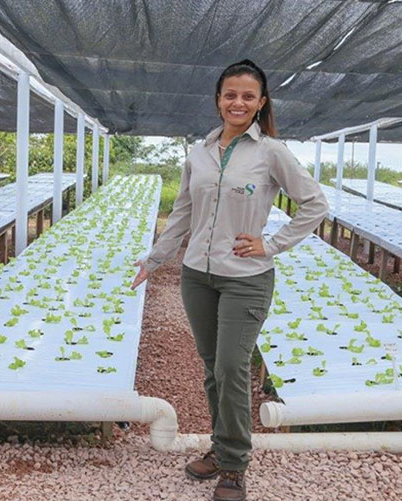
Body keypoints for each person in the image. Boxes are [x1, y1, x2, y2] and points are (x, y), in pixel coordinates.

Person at [132, 60, 328, 501]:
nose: (237, 102)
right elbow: (183, 213)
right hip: (197, 275)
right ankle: (221, 449)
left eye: (247, 96)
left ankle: (235, 464)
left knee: (232, 367)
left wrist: (272, 244)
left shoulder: (271, 152)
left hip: (246, 277)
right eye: (229, 94)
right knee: (212, 369)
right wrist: (156, 258)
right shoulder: (198, 153)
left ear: (261, 103)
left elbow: (315, 204)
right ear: (218, 100)